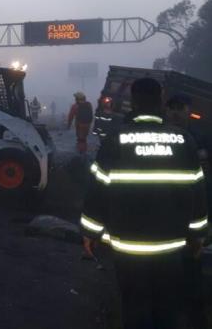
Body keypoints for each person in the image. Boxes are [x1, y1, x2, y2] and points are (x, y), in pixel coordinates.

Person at [80, 78, 207, 329]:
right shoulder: (183, 141)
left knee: (134, 305)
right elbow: (198, 193)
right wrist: (199, 235)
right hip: (171, 248)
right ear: (161, 100)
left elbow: (97, 190)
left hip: (128, 247)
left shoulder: (115, 140)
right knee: (167, 308)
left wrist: (90, 233)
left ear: (133, 102)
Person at [165, 94, 211, 329]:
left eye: (180, 108)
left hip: (193, 214)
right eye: (171, 108)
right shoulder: (159, 138)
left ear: (188, 111)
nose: (175, 113)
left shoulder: (200, 138)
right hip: (165, 216)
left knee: (193, 271)